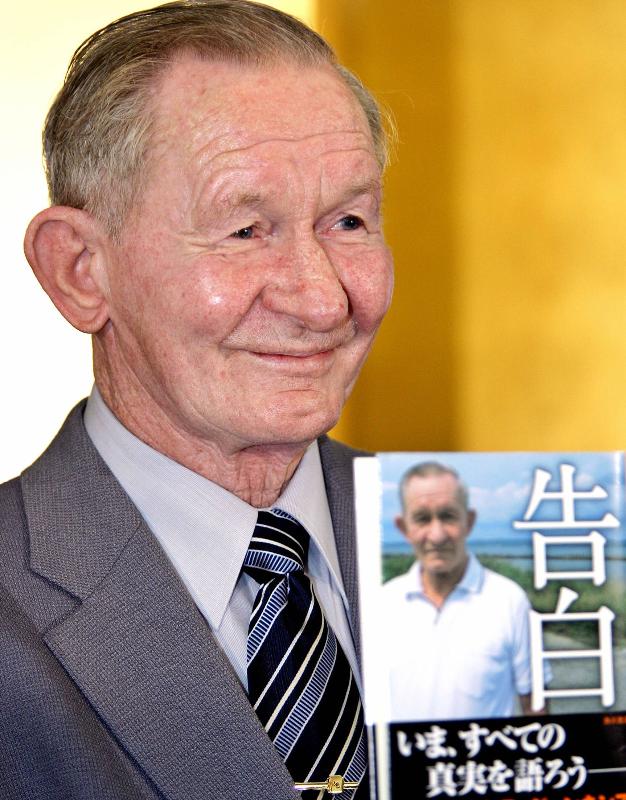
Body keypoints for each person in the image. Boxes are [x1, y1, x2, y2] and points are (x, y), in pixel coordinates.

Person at [0, 3, 394, 799]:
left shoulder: (505, 552)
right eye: (245, 230)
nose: (323, 300)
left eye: (349, 222)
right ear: (80, 270)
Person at [383, 462, 540, 722]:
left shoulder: (510, 600)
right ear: (404, 527)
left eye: (448, 516)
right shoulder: (382, 604)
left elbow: (535, 707)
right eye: (422, 518)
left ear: (469, 521)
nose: (437, 535)